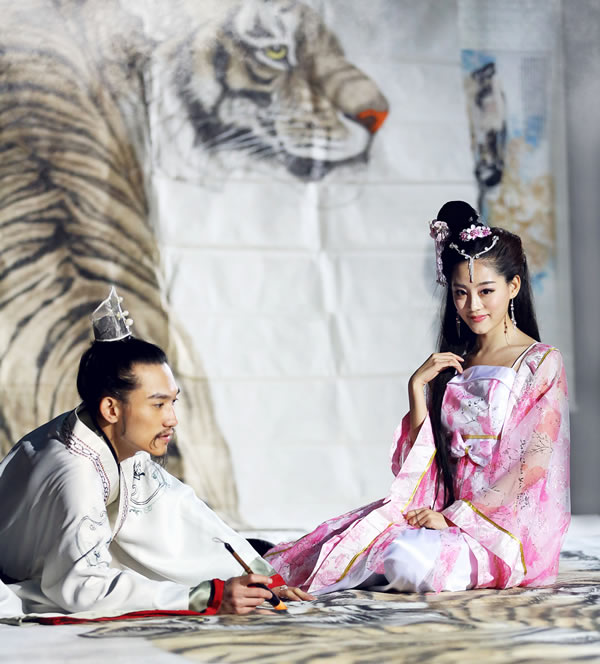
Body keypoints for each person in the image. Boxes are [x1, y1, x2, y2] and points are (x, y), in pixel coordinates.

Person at [265, 200, 570, 594]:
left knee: (405, 559)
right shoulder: (456, 361)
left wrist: (459, 516)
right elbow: (422, 461)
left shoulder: (540, 362)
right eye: (461, 293)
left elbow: (534, 463)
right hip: (439, 507)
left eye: (486, 291)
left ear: (513, 286)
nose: (473, 306)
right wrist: (416, 390)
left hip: (500, 525)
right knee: (351, 540)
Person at [0, 287, 311, 619]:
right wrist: (208, 597)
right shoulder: (77, 475)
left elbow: (182, 512)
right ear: (111, 408)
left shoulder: (112, 439)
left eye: (172, 402)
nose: (172, 419)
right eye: (158, 404)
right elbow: (83, 588)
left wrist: (263, 577)